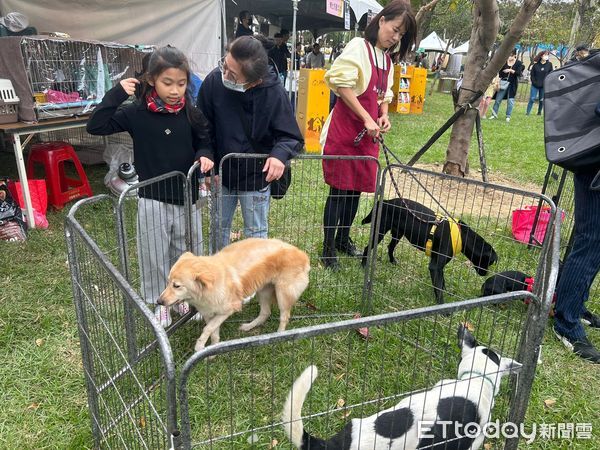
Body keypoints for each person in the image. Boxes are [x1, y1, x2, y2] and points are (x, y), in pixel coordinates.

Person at [87, 46, 215, 327]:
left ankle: (186, 299)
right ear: (151, 80)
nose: (175, 90)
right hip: (153, 198)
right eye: (167, 83)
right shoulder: (136, 113)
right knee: (154, 253)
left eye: (181, 83)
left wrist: (204, 154)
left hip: (187, 197)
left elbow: (205, 140)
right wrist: (117, 93)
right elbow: (95, 126)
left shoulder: (190, 113)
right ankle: (160, 304)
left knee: (186, 251)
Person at [319, 0, 417, 270]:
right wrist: (366, 117)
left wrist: (383, 114)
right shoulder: (357, 48)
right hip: (345, 131)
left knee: (356, 192)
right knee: (339, 191)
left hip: (367, 136)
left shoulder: (386, 60)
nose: (395, 37)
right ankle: (327, 248)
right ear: (382, 20)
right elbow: (340, 83)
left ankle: (342, 238)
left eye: (400, 35)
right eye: (394, 29)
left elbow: (384, 94)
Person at [196, 36, 303, 250]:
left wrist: (279, 155)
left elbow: (290, 136)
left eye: (232, 74)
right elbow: (202, 126)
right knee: (218, 229)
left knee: (256, 234)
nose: (224, 74)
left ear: (254, 81)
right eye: (224, 65)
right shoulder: (214, 81)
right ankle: (217, 278)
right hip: (222, 173)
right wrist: (208, 160)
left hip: (256, 175)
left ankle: (255, 281)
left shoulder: (273, 91)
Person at [554, 101, 600, 362]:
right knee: (591, 241)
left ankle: (576, 307)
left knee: (594, 244)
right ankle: (566, 323)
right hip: (594, 164)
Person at [489, 49, 524, 122]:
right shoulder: (504, 62)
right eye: (508, 55)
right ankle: (493, 114)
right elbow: (500, 73)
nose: (509, 57)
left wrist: (511, 70)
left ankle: (508, 116)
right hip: (503, 83)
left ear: (514, 55)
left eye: (511, 55)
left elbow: (519, 73)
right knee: (498, 100)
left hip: (512, 84)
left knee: (510, 101)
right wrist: (498, 81)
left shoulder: (518, 63)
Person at [526, 50, 553, 115]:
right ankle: (528, 112)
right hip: (535, 85)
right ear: (541, 56)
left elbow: (551, 74)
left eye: (547, 55)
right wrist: (534, 82)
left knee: (541, 100)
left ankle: (539, 112)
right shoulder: (535, 65)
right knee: (532, 98)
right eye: (545, 55)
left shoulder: (549, 64)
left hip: (544, 85)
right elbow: (532, 75)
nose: (546, 56)